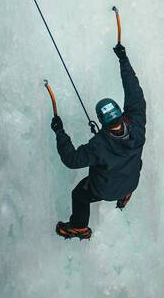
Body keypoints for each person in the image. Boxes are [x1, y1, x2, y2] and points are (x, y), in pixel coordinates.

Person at [50, 43, 146, 240]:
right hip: (131, 181)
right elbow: (133, 91)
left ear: (102, 122)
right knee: (133, 160)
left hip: (107, 190)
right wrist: (123, 59)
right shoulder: (137, 123)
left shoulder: (98, 146)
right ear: (121, 112)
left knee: (79, 195)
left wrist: (60, 132)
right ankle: (126, 193)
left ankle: (78, 228)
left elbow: (71, 159)